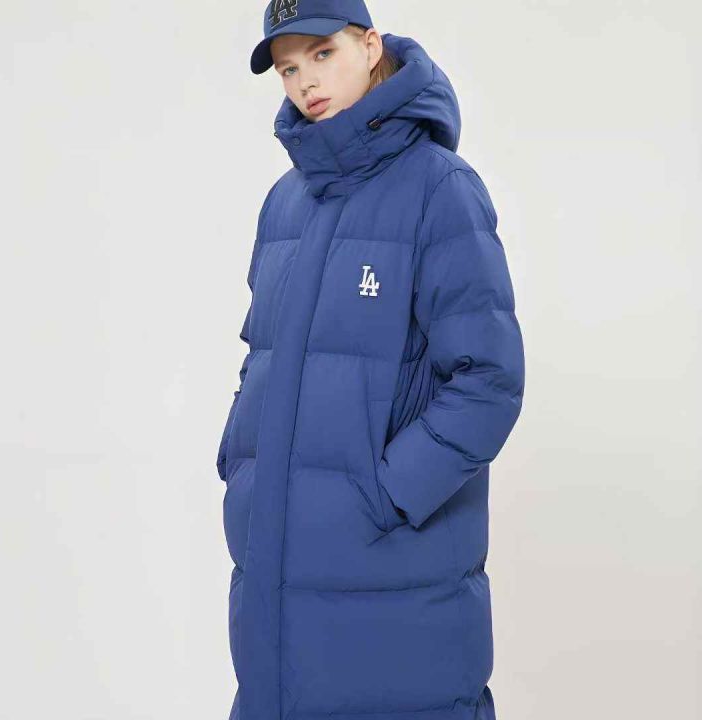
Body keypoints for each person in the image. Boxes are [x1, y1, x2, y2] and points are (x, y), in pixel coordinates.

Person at [215, 1, 525, 718]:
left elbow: (488, 379)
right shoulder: (284, 204)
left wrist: (387, 494)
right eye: (288, 68)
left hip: (394, 569)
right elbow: (260, 355)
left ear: (369, 44)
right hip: (274, 565)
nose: (305, 82)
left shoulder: (440, 188)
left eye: (322, 54)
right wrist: (242, 466)